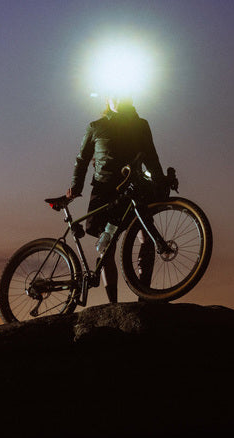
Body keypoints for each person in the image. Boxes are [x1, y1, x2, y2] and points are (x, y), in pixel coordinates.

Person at [65, 95, 166, 303]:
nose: (118, 100)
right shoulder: (96, 126)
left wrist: (160, 181)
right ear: (108, 100)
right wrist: (76, 187)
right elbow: (82, 159)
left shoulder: (140, 125)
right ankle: (113, 304)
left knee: (146, 236)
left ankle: (144, 295)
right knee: (106, 246)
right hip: (104, 190)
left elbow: (151, 156)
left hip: (134, 187)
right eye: (114, 96)